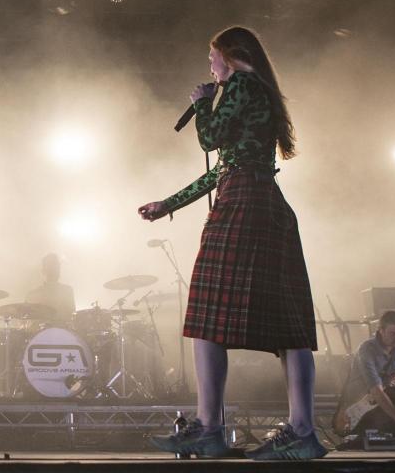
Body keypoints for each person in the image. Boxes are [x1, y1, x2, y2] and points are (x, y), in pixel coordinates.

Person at [137, 26, 325, 460]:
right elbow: (224, 167)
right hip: (264, 204)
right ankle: (302, 432)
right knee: (288, 324)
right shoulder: (258, 91)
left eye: (211, 58)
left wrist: (203, 102)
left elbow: (209, 140)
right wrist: (169, 204)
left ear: (228, 55)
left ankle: (209, 428)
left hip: (242, 206)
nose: (210, 67)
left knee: (205, 313)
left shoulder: (240, 85)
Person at [342, 310, 395, 435]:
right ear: (381, 331)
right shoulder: (367, 350)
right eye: (393, 334)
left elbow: (390, 379)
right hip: (365, 403)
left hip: (386, 396)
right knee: (376, 427)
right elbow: (376, 391)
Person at [25, 253, 76, 324]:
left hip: (62, 332)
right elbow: (26, 321)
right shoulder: (32, 295)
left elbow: (72, 316)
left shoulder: (67, 290)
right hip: (41, 333)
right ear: (43, 271)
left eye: (57, 266)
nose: (55, 269)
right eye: (51, 266)